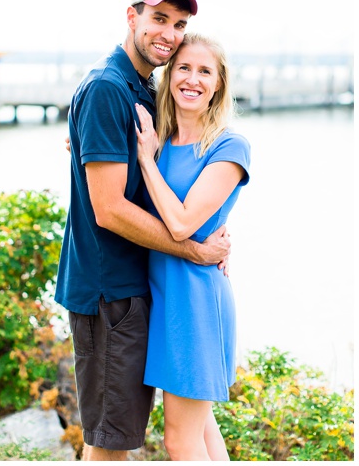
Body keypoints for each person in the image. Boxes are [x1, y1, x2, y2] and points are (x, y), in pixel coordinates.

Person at [54, 0, 232, 461]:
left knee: (186, 426)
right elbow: (108, 210)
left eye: (179, 24)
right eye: (158, 18)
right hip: (111, 293)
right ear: (131, 17)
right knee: (110, 445)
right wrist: (194, 249)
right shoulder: (109, 88)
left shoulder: (142, 88)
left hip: (142, 289)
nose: (168, 33)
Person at [135, 33, 249, 460]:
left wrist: (146, 161)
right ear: (169, 75)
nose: (193, 79)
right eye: (184, 67)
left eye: (205, 71)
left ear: (219, 83)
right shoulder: (161, 138)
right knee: (201, 435)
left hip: (197, 302)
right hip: (164, 301)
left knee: (180, 441)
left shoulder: (228, 146)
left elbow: (182, 224)